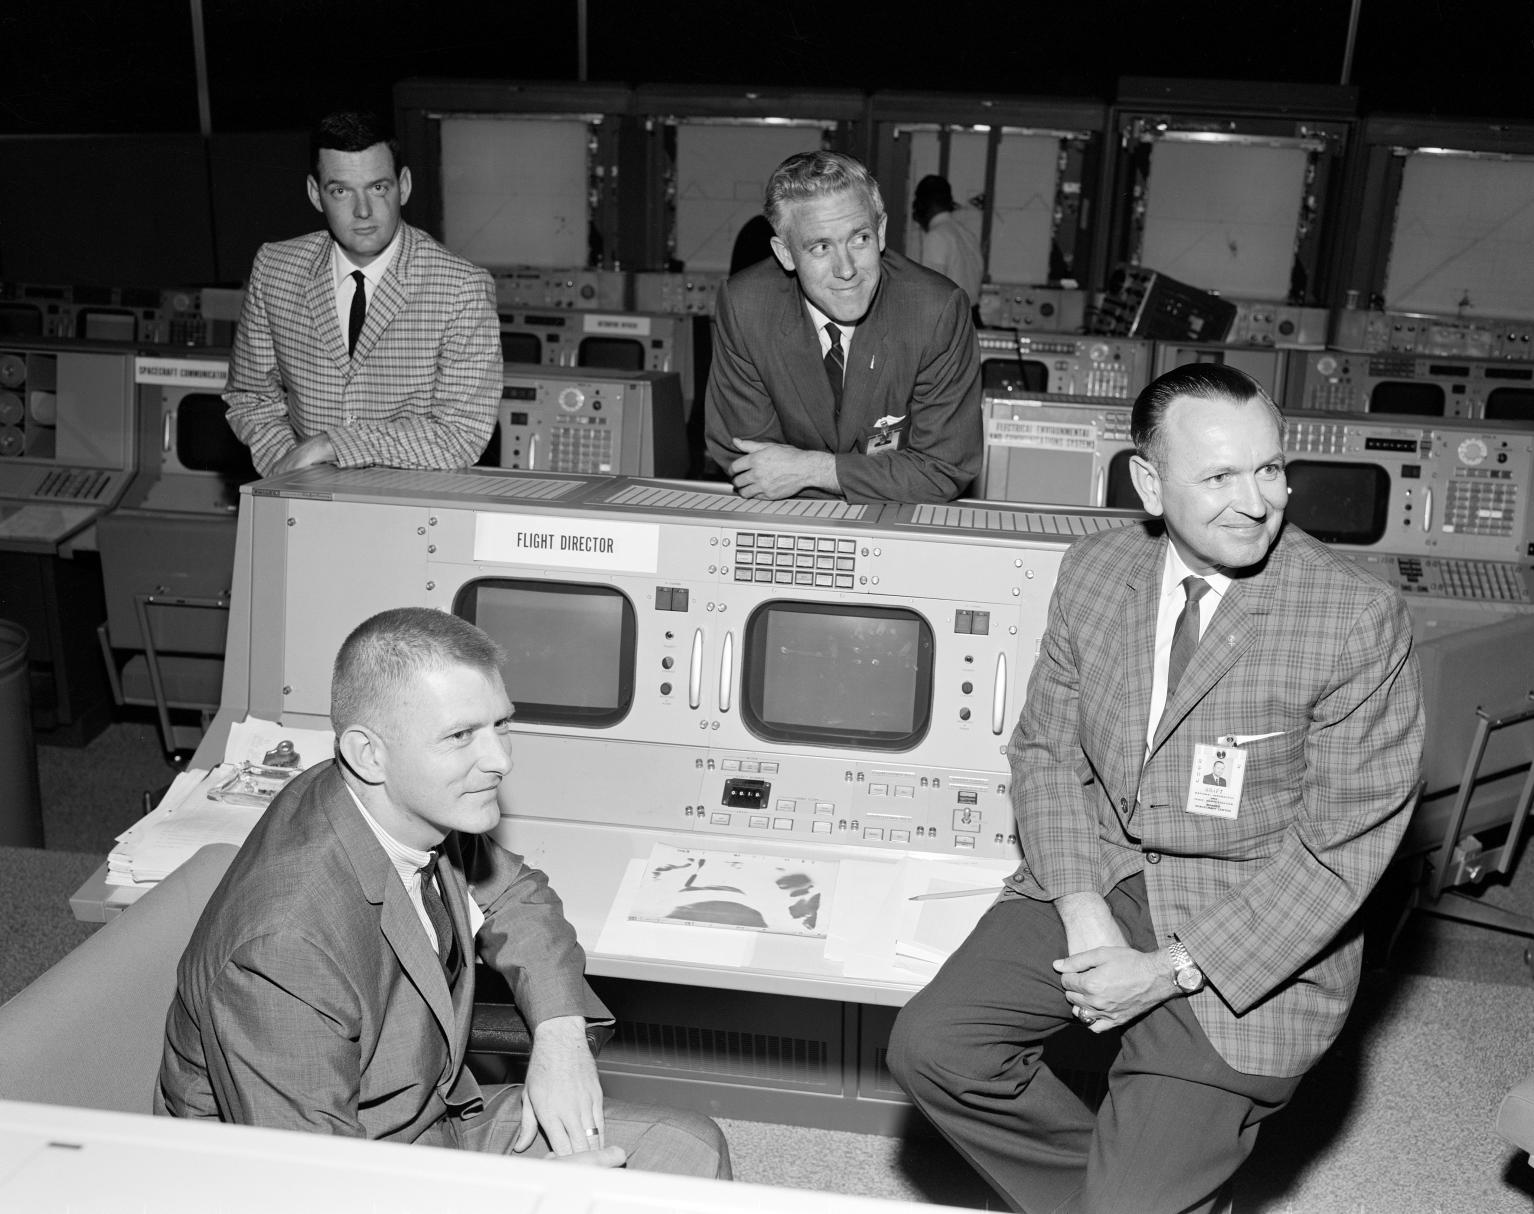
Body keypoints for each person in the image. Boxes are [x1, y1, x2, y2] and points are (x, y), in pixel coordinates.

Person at [888, 364, 1423, 1214]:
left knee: (1132, 1198)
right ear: (1148, 481)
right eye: (1218, 476)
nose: (1257, 502)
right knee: (936, 1047)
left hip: (1247, 919)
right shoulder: (1096, 570)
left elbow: (1340, 854)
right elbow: (1047, 754)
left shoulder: (1354, 616)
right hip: (1102, 867)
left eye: (1271, 469)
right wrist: (1080, 902)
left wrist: (1171, 969)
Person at [157, 607, 731, 1178]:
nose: (500, 761)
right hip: (351, 1171)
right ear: (368, 754)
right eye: (460, 736)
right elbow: (316, 1187)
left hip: (425, 1114)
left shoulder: (408, 801)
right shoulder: (282, 949)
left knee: (692, 1149)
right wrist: (528, 1198)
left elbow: (516, 895)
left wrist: (560, 1035)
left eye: (500, 724)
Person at [225, 111, 501, 477]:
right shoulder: (275, 268)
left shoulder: (461, 287)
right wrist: (292, 467)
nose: (363, 211)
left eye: (378, 187)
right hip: (304, 503)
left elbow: (461, 434)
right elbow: (250, 398)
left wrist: (329, 445)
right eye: (341, 191)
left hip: (410, 515)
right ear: (315, 193)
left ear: (403, 185)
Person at [704, 150, 981, 504]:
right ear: (785, 253)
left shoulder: (934, 312)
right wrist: (887, 477)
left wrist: (815, 470)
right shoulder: (746, 308)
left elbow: (943, 468)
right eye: (820, 247)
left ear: (880, 232)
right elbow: (754, 466)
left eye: (859, 239)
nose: (847, 269)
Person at [911, 175, 983, 311]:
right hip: (971, 317)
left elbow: (931, 293)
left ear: (923, 204)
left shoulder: (936, 237)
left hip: (952, 319)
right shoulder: (968, 235)